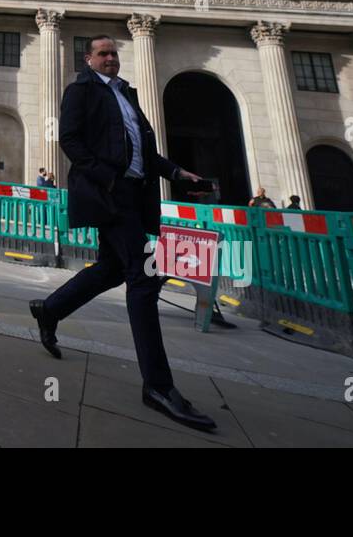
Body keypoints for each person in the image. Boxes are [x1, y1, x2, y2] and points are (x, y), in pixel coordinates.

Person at [29, 34, 217, 432]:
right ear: (89, 59)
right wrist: (106, 180)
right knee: (145, 278)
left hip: (134, 194)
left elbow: (145, 149)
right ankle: (159, 387)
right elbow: (70, 139)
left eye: (115, 53)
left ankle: (50, 310)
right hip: (109, 196)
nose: (111, 58)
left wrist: (179, 174)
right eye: (103, 53)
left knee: (114, 268)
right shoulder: (80, 91)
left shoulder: (126, 94)